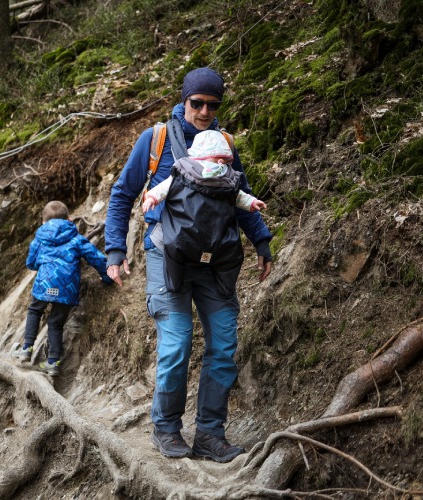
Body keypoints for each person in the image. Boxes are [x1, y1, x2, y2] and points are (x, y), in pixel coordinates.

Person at [104, 67, 273, 463]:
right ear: (184, 101)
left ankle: (211, 435)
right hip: (168, 256)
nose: (204, 111)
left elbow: (238, 195)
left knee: (224, 344)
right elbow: (122, 195)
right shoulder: (156, 140)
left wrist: (262, 240)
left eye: (213, 105)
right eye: (197, 103)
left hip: (217, 259)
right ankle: (166, 428)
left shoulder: (225, 143)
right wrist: (115, 251)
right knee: (177, 342)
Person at [141, 129, 267, 298]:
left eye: (225, 161)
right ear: (199, 158)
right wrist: (151, 198)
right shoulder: (183, 172)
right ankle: (174, 283)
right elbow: (165, 187)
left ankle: (225, 287)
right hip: (184, 235)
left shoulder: (228, 180)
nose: (221, 163)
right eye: (216, 159)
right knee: (174, 250)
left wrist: (251, 203)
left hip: (218, 239)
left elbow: (238, 196)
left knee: (232, 257)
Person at [12, 200, 112, 376]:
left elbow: (31, 263)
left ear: (43, 222)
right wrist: (106, 276)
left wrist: (42, 266)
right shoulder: (76, 238)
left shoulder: (39, 239)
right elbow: (95, 257)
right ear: (69, 218)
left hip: (44, 284)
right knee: (56, 323)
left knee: (35, 311)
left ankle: (26, 348)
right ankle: (53, 362)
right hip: (67, 287)